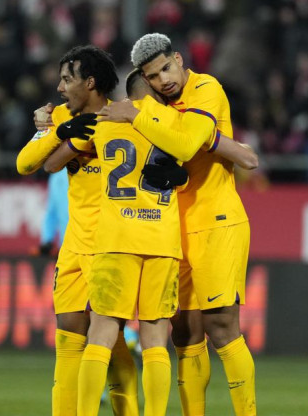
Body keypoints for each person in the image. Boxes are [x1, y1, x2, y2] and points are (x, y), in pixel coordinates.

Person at [97, 33, 257, 416]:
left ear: (180, 60)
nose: (164, 79)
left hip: (217, 221)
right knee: (185, 332)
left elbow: (185, 147)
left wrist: (137, 114)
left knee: (221, 326)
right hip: (172, 228)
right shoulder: (156, 107)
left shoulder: (205, 89)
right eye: (153, 76)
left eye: (167, 68)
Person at [17, 45, 163, 416]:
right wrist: (57, 129)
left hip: (111, 245)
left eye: (68, 79)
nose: (60, 87)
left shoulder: (124, 118)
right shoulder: (62, 116)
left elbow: (52, 164)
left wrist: (62, 137)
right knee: (68, 336)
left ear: (91, 82)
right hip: (75, 244)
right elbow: (29, 164)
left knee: (108, 341)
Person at [42, 64, 193, 416]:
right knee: (155, 339)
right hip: (160, 238)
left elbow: (52, 163)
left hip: (115, 239)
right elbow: (187, 166)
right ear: (154, 90)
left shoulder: (105, 121)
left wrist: (50, 127)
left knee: (101, 335)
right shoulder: (173, 122)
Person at [38, 169, 69, 257]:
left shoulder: (92, 168)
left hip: (93, 244)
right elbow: (51, 211)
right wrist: (47, 240)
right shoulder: (57, 175)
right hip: (66, 247)